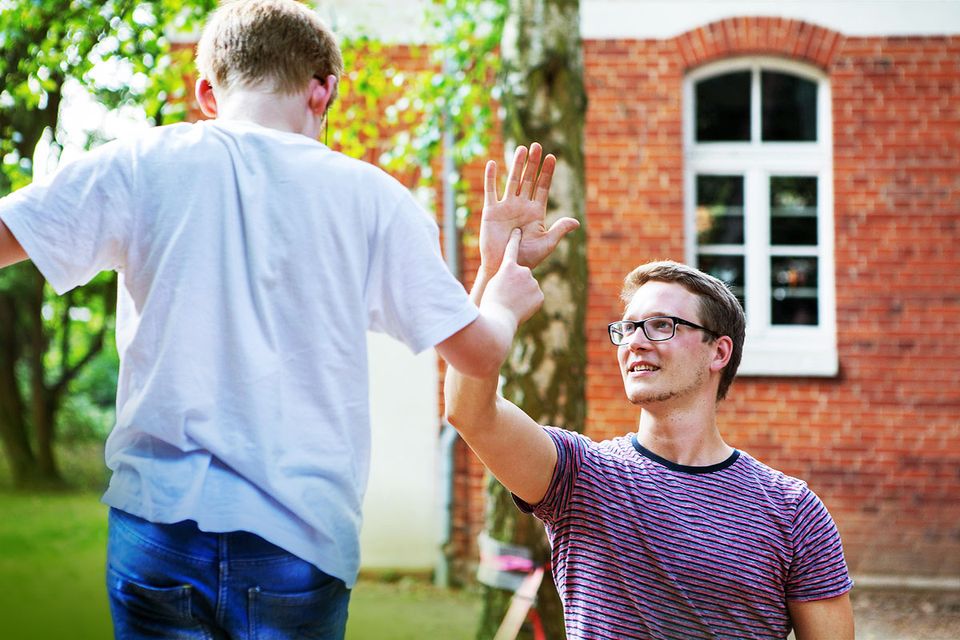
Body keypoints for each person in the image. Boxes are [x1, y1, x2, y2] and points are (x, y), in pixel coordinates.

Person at [0, 1, 571, 637]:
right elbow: (478, 354)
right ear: (323, 89)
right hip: (300, 542)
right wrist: (501, 286)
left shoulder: (139, 163)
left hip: (157, 526)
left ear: (206, 92)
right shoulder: (374, 198)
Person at [445, 170, 855, 638]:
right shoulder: (579, 478)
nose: (635, 342)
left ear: (718, 351)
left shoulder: (791, 510)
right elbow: (469, 409)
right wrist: (494, 272)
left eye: (661, 325)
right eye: (627, 327)